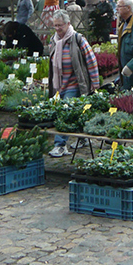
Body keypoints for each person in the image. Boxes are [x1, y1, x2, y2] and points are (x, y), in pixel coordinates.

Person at [47, 9, 100, 157]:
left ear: (68, 24)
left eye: (60, 26)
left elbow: (91, 60)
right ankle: (82, 138)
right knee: (76, 112)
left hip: (75, 83)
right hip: (59, 84)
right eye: (55, 25)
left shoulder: (78, 39)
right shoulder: (54, 40)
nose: (58, 29)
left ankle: (60, 145)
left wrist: (95, 82)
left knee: (66, 113)